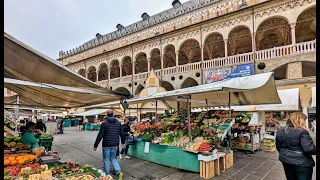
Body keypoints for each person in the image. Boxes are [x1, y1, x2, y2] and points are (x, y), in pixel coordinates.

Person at [276, 112, 316, 180]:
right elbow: (309, 149)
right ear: (299, 120)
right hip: (302, 163)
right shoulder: (302, 132)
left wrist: (286, 154)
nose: (305, 122)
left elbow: (278, 147)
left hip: (286, 161)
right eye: (304, 120)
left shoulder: (280, 130)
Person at [93, 110, 125, 179]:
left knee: (106, 159)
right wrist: (123, 142)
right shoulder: (118, 123)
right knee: (113, 158)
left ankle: (107, 174)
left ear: (106, 115)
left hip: (106, 144)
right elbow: (122, 134)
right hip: (115, 143)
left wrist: (95, 145)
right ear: (113, 114)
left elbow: (100, 135)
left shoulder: (104, 123)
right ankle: (119, 171)